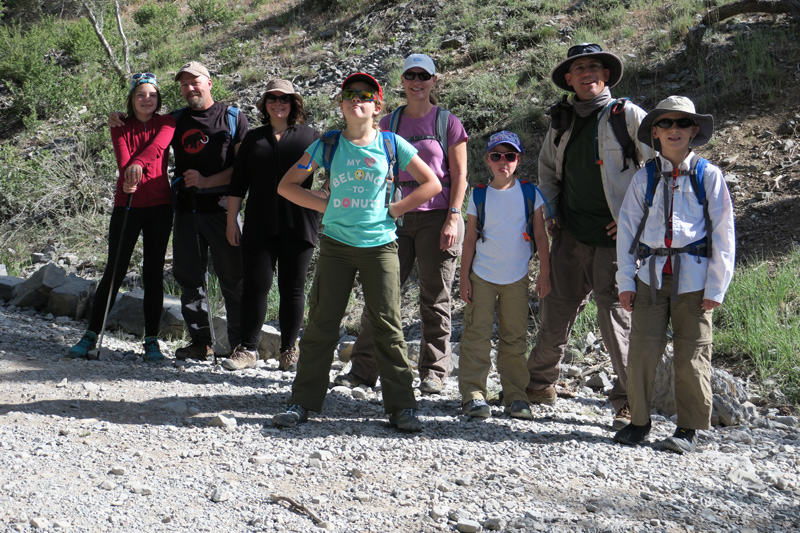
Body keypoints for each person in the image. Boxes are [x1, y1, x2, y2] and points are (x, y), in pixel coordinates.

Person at [273, 72, 441, 432]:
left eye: (365, 96)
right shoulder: (327, 145)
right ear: (341, 103)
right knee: (321, 325)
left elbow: (432, 183)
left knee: (388, 327)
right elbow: (287, 186)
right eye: (349, 94)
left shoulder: (392, 144)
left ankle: (401, 408)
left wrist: (396, 210)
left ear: (376, 106)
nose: (356, 100)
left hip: (380, 246)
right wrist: (325, 206)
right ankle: (302, 402)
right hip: (336, 245)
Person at [526, 43, 655, 430]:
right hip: (570, 235)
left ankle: (630, 402)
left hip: (615, 241)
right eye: (579, 69)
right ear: (569, 79)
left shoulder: (626, 115)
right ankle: (538, 385)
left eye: (594, 67)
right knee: (555, 312)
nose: (587, 74)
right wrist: (552, 215)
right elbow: (547, 170)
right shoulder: (563, 120)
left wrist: (636, 218)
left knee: (615, 318)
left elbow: (658, 167)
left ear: (606, 75)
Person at [334, 54, 468, 395]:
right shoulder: (389, 122)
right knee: (382, 296)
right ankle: (364, 371)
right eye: (411, 75)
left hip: (438, 216)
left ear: (434, 81)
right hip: (392, 215)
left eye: (424, 75)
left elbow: (461, 176)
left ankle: (434, 372)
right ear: (403, 80)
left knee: (435, 296)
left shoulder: (447, 122)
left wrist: (454, 215)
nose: (417, 81)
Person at [613, 96, 735, 453]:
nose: (674, 130)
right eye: (665, 124)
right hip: (650, 278)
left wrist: (717, 285)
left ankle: (688, 430)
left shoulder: (708, 176)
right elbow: (627, 231)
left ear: (694, 130)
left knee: (692, 353)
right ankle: (639, 422)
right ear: (655, 132)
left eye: (682, 123)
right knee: (642, 352)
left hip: (696, 281)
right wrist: (625, 281)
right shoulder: (644, 177)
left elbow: (723, 234)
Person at [111, 61, 250, 360]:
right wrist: (122, 119)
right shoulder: (176, 120)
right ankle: (202, 343)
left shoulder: (233, 117)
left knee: (233, 279)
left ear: (209, 82)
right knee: (189, 279)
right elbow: (148, 133)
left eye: (195, 82)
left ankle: (240, 346)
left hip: (224, 209)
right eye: (184, 85)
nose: (190, 89)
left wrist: (207, 180)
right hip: (186, 210)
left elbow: (244, 169)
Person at [69, 73, 176, 361]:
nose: (147, 99)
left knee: (153, 273)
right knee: (114, 270)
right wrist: (128, 174)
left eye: (152, 95)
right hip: (127, 203)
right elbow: (122, 156)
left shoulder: (167, 123)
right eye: (140, 94)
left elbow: (157, 148)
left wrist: (136, 167)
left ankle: (151, 340)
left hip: (160, 206)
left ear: (158, 99)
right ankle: (91, 334)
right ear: (132, 98)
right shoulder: (119, 125)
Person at [221, 79, 320, 371]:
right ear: (265, 104)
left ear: (294, 104)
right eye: (272, 98)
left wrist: (325, 197)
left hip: (299, 224)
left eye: (285, 99)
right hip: (259, 224)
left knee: (293, 289)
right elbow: (238, 184)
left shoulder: (311, 137)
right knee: (256, 286)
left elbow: (335, 172)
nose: (279, 103)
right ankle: (247, 349)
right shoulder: (253, 138)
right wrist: (231, 222)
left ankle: (289, 350)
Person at [458, 131, 550, 420]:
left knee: (514, 338)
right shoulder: (479, 194)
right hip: (482, 276)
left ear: (518, 160)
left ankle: (515, 396)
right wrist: (463, 278)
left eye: (509, 156)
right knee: (477, 335)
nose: (503, 162)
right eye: (496, 156)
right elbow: (470, 238)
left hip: (517, 278)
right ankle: (474, 394)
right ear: (487, 159)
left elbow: (540, 235)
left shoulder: (529, 193)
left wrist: (544, 273)